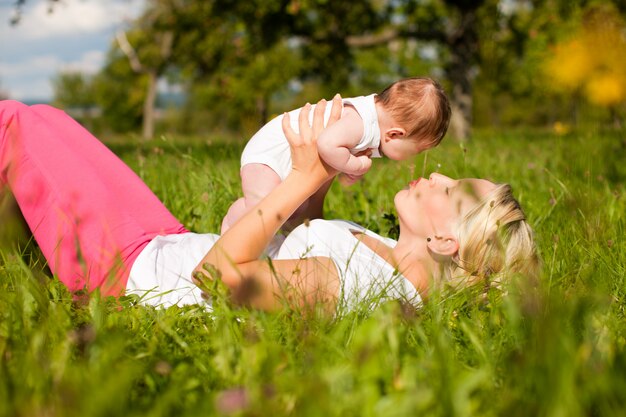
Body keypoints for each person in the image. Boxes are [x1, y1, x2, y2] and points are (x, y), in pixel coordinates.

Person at [0, 97, 538, 312]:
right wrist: (319, 170)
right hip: (165, 242)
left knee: (14, 126)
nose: (436, 174)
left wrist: (301, 178)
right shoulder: (380, 256)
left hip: (129, 271)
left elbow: (218, 279)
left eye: (450, 190)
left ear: (446, 241)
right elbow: (298, 236)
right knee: (45, 116)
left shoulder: (361, 286)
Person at [220, 77, 452, 234]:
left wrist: (347, 165)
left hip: (288, 158)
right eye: (416, 151)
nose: (412, 158)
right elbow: (327, 144)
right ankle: (235, 218)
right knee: (265, 210)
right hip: (270, 154)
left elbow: (336, 151)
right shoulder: (359, 122)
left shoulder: (372, 121)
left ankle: (269, 240)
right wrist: (356, 165)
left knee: (292, 211)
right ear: (394, 134)